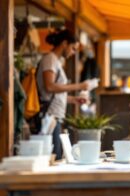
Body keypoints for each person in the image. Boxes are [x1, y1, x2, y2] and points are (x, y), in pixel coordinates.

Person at [37, 29, 97, 160]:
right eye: (73, 48)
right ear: (64, 43)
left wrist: (74, 99)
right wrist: (80, 86)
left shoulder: (56, 61)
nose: (74, 52)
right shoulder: (50, 59)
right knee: (53, 157)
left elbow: (55, 94)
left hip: (54, 116)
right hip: (48, 117)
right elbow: (50, 86)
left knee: (56, 155)